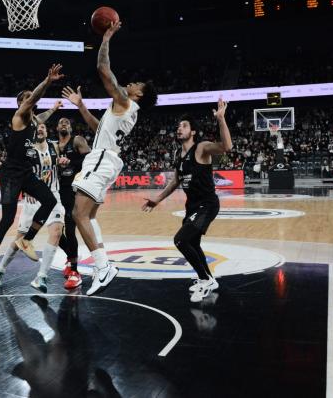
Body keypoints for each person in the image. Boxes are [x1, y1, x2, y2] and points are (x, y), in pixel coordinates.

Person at [66, 21, 156, 296]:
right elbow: (98, 129)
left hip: (102, 160)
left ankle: (103, 267)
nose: (131, 83)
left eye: (137, 83)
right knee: (89, 216)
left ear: (139, 93)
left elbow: (103, 70)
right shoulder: (124, 111)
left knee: (77, 214)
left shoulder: (126, 102)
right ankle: (104, 265)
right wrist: (81, 106)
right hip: (107, 159)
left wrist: (106, 37)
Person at [0, 64, 65, 287]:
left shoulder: (34, 121)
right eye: (28, 98)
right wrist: (46, 82)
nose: (32, 101)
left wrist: (54, 109)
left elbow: (42, 116)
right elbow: (32, 101)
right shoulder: (19, 116)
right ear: (22, 103)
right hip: (10, 175)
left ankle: (26, 239)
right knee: (7, 218)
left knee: (50, 200)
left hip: (25, 172)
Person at [142, 99, 232, 302]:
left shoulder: (201, 148)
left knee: (181, 240)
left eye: (183, 126)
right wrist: (156, 200)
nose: (178, 128)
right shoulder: (178, 154)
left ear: (193, 132)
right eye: (178, 126)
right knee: (193, 243)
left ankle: (204, 279)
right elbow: (175, 181)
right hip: (192, 206)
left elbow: (226, 146)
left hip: (207, 204)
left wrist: (221, 119)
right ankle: (209, 278)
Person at [0, 123, 69, 292]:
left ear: (47, 130)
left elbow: (60, 160)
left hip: (53, 194)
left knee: (56, 233)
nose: (41, 129)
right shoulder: (26, 150)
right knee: (19, 239)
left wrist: (63, 162)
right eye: (38, 128)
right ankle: (0, 269)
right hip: (32, 198)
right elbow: (17, 171)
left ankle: (41, 277)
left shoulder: (55, 146)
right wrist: (23, 188)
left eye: (43, 127)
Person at [54, 106, 92, 289]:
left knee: (70, 229)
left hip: (72, 190)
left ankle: (75, 271)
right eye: (60, 122)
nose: (63, 124)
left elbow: (90, 159)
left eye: (67, 122)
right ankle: (71, 257)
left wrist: (71, 161)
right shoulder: (53, 146)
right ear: (56, 128)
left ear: (70, 128)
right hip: (55, 191)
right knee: (55, 231)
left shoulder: (77, 140)